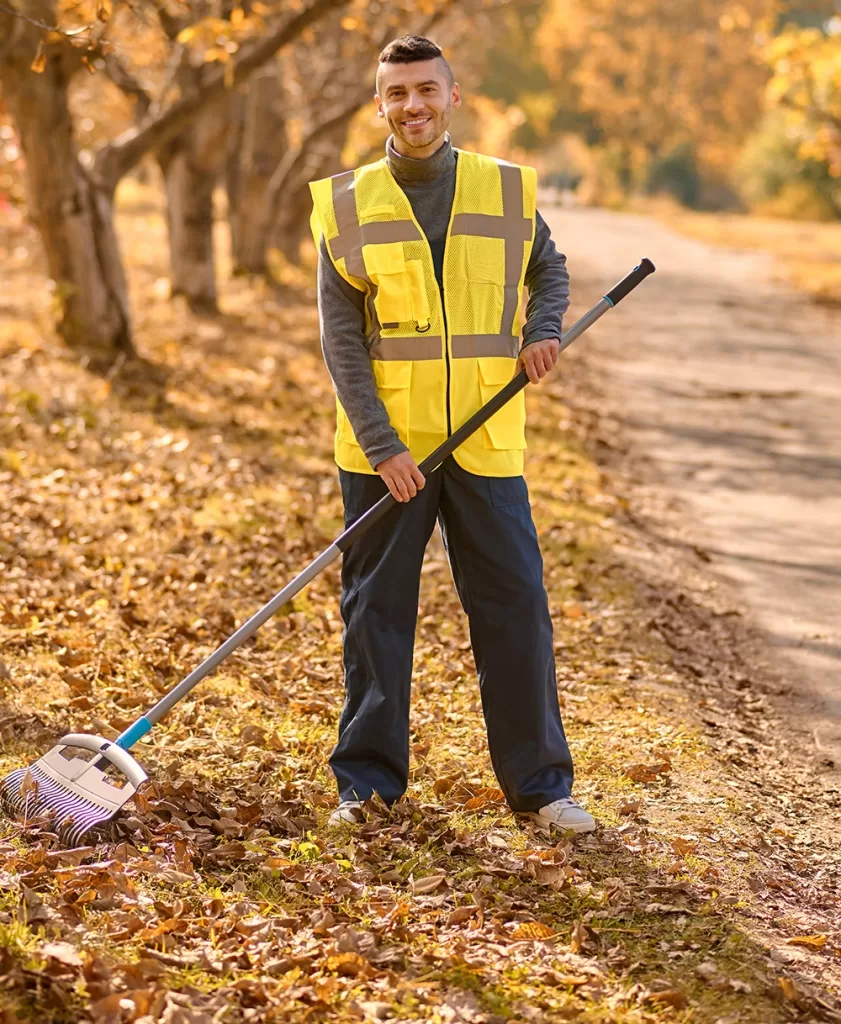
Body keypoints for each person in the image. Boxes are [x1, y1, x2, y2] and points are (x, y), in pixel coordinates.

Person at [309, 35, 595, 833]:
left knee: (514, 606)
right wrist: (383, 448)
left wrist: (542, 330)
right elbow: (341, 341)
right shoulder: (345, 204)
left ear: (453, 96)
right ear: (379, 106)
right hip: (386, 451)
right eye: (397, 93)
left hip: (484, 436)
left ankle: (541, 787)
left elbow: (550, 268)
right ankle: (365, 786)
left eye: (426, 90)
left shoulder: (502, 191)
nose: (413, 106)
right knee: (376, 615)